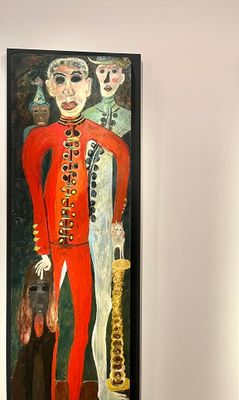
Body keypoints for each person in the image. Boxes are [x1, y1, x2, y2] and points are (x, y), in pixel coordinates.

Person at [22, 57, 130, 400]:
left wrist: (116, 217)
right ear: (50, 88)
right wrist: (42, 248)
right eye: (60, 80)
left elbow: (123, 155)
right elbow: (36, 197)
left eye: (76, 80)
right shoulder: (40, 138)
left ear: (88, 87)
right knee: (51, 328)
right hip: (53, 250)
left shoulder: (97, 133)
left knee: (81, 325)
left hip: (82, 247)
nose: (68, 90)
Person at [83, 55, 131, 400]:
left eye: (114, 71)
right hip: (82, 222)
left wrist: (117, 220)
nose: (108, 77)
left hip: (110, 224)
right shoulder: (83, 117)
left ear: (123, 76)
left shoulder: (129, 120)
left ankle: (105, 386)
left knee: (107, 304)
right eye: (102, 71)